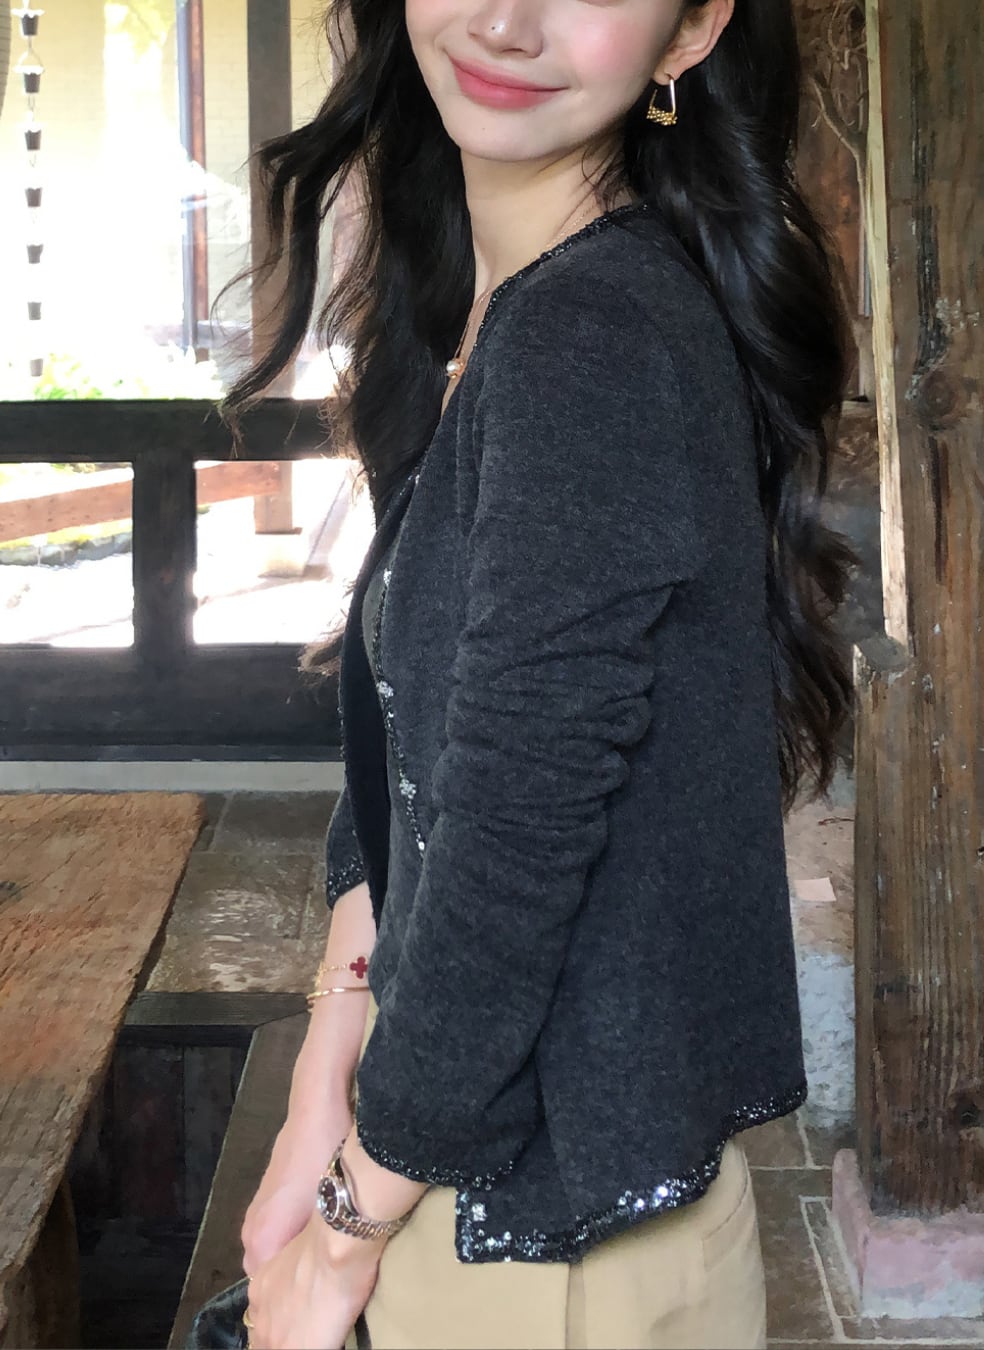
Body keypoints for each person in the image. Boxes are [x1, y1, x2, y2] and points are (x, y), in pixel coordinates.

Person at [219, 0, 857, 1345]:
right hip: (506, 1214)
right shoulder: (511, 307)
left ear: (692, 32)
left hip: (536, 1254)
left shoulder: (592, 331)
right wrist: (318, 1096)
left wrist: (345, 1227)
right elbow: (422, 770)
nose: (507, 21)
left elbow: (514, 834)